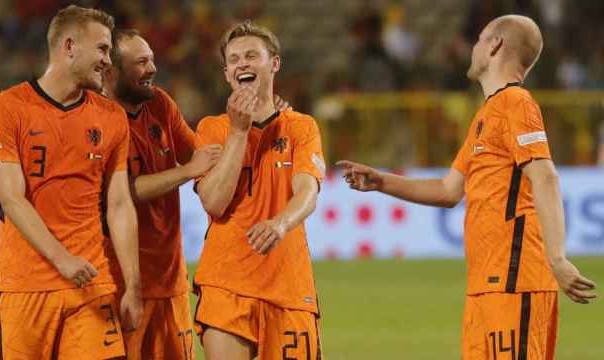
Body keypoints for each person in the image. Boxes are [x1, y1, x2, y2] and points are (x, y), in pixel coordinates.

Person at [338, 15, 597, 359]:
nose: (472, 48)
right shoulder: (486, 115)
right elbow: (449, 190)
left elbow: (545, 176)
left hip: (515, 281)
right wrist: (382, 181)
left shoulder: (515, 103)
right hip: (485, 286)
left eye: (478, 40)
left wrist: (557, 258)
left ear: (495, 45)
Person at [0, 5, 142, 359]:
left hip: (93, 284)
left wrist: (133, 286)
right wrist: (62, 259)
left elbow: (118, 204)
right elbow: (12, 199)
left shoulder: (111, 117)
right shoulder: (6, 108)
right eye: (101, 49)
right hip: (25, 287)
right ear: (69, 46)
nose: (108, 61)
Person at [193, 21, 325, 360]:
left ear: (274, 64)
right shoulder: (212, 128)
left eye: (252, 55)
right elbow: (214, 202)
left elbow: (308, 191)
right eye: (234, 59)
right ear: (226, 74)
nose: (243, 64)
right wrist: (239, 132)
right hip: (226, 283)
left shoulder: (301, 127)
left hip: (289, 285)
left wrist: (280, 223)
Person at [102, 29, 221, 360]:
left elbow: (200, 154)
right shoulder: (97, 118)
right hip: (120, 284)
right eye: (141, 62)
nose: (153, 68)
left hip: (170, 282)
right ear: (112, 71)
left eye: (152, 58)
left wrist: (248, 131)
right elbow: (123, 191)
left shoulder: (160, 104)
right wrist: (187, 171)